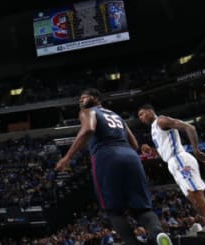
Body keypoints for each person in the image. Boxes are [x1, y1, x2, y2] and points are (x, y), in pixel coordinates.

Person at [55, 89, 172, 245]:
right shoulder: (116, 116)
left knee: (113, 211)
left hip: (107, 158)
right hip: (131, 158)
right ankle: (157, 233)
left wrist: (67, 157)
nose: (81, 101)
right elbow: (135, 144)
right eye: (80, 99)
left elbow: (88, 129)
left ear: (96, 98)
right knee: (142, 208)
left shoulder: (87, 111)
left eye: (84, 97)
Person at [137, 104, 205, 245]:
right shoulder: (154, 129)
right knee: (197, 205)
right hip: (173, 163)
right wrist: (151, 150)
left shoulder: (161, 120)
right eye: (139, 116)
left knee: (201, 203)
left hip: (180, 160)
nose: (141, 117)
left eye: (142, 113)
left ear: (150, 111)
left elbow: (189, 127)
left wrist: (196, 150)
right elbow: (164, 154)